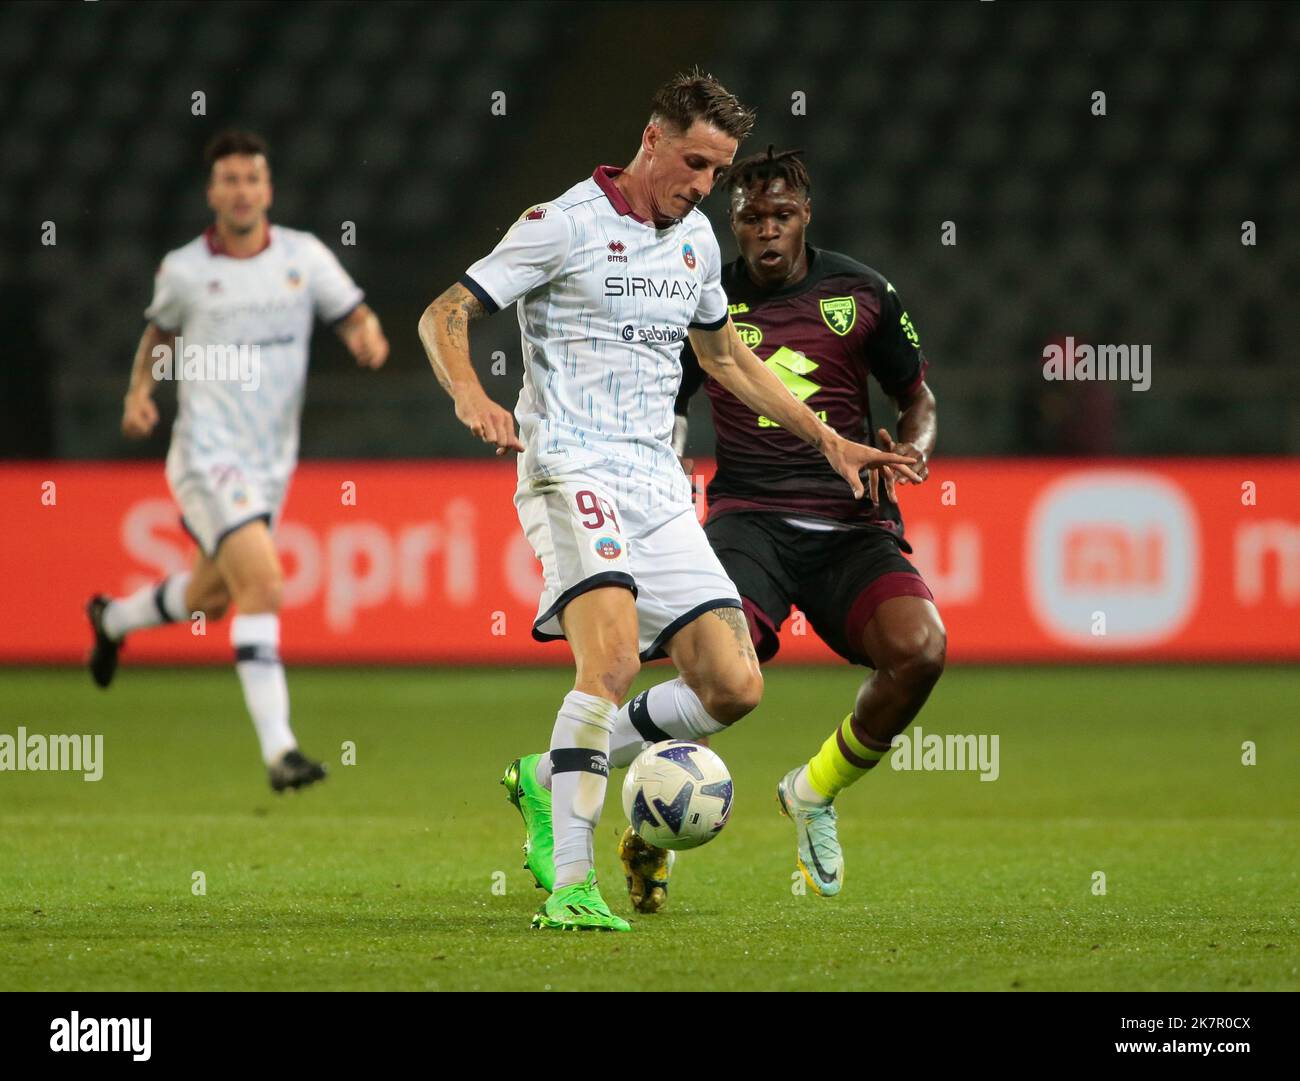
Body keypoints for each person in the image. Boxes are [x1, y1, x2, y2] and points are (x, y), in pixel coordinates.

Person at [417, 78, 918, 931]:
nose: (703, 186)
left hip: (658, 484)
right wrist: (470, 392)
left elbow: (728, 360)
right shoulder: (563, 224)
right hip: (571, 468)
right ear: (652, 139)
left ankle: (547, 774)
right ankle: (572, 885)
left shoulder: (690, 245)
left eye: (717, 172)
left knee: (733, 684)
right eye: (694, 163)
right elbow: (445, 312)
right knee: (608, 665)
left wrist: (828, 439)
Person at [672, 146, 944, 898]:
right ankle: (657, 817)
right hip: (748, 517)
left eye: (781, 216)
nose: (766, 231)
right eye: (751, 217)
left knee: (920, 652)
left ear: (806, 218)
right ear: (731, 221)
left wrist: (913, 454)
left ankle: (812, 790)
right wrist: (663, 488)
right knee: (718, 671)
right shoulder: (704, 299)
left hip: (852, 525)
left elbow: (917, 399)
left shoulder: (863, 292)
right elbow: (670, 409)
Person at [86, 129, 390, 792]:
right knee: (265, 584)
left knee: (209, 596)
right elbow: (158, 334)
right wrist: (140, 393)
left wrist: (368, 337)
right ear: (212, 192)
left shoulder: (304, 257)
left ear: (268, 189)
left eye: (252, 178)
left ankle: (111, 618)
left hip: (270, 461)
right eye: (229, 179)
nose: (242, 190)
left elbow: (356, 317)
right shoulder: (185, 269)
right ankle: (281, 751)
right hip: (206, 452)